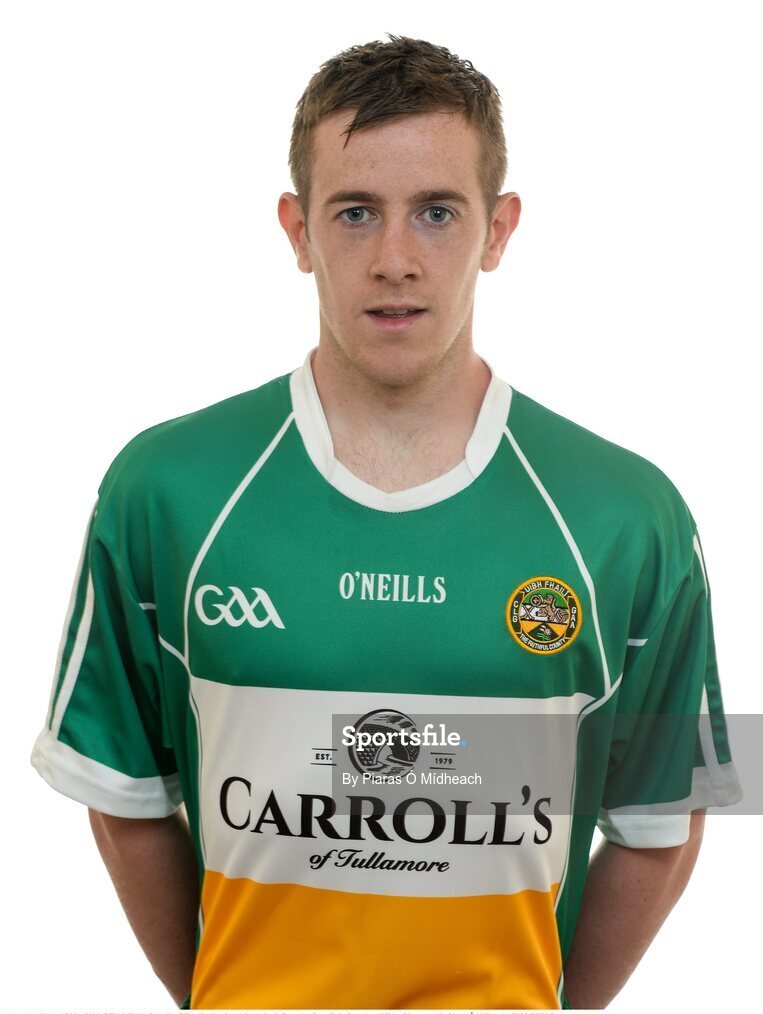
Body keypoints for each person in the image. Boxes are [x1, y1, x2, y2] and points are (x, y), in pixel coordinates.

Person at [30, 33, 742, 1011]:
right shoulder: (167, 488)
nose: (395, 259)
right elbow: (123, 799)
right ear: (296, 230)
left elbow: (661, 822)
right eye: (355, 212)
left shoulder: (627, 514)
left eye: (437, 214)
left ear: (498, 231)